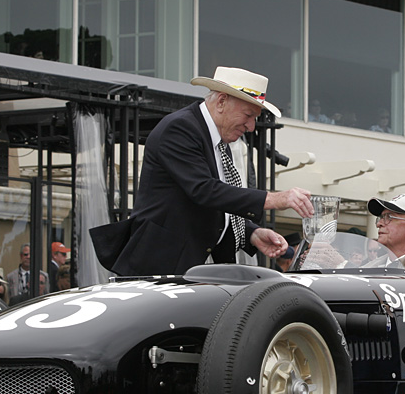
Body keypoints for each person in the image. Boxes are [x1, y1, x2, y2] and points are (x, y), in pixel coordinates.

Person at [92, 67, 314, 276]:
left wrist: (251, 234)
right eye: (248, 115)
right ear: (221, 102)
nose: (251, 127)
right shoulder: (179, 129)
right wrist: (277, 199)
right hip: (159, 268)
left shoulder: (215, 137)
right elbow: (205, 191)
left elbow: (212, 208)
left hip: (187, 269)